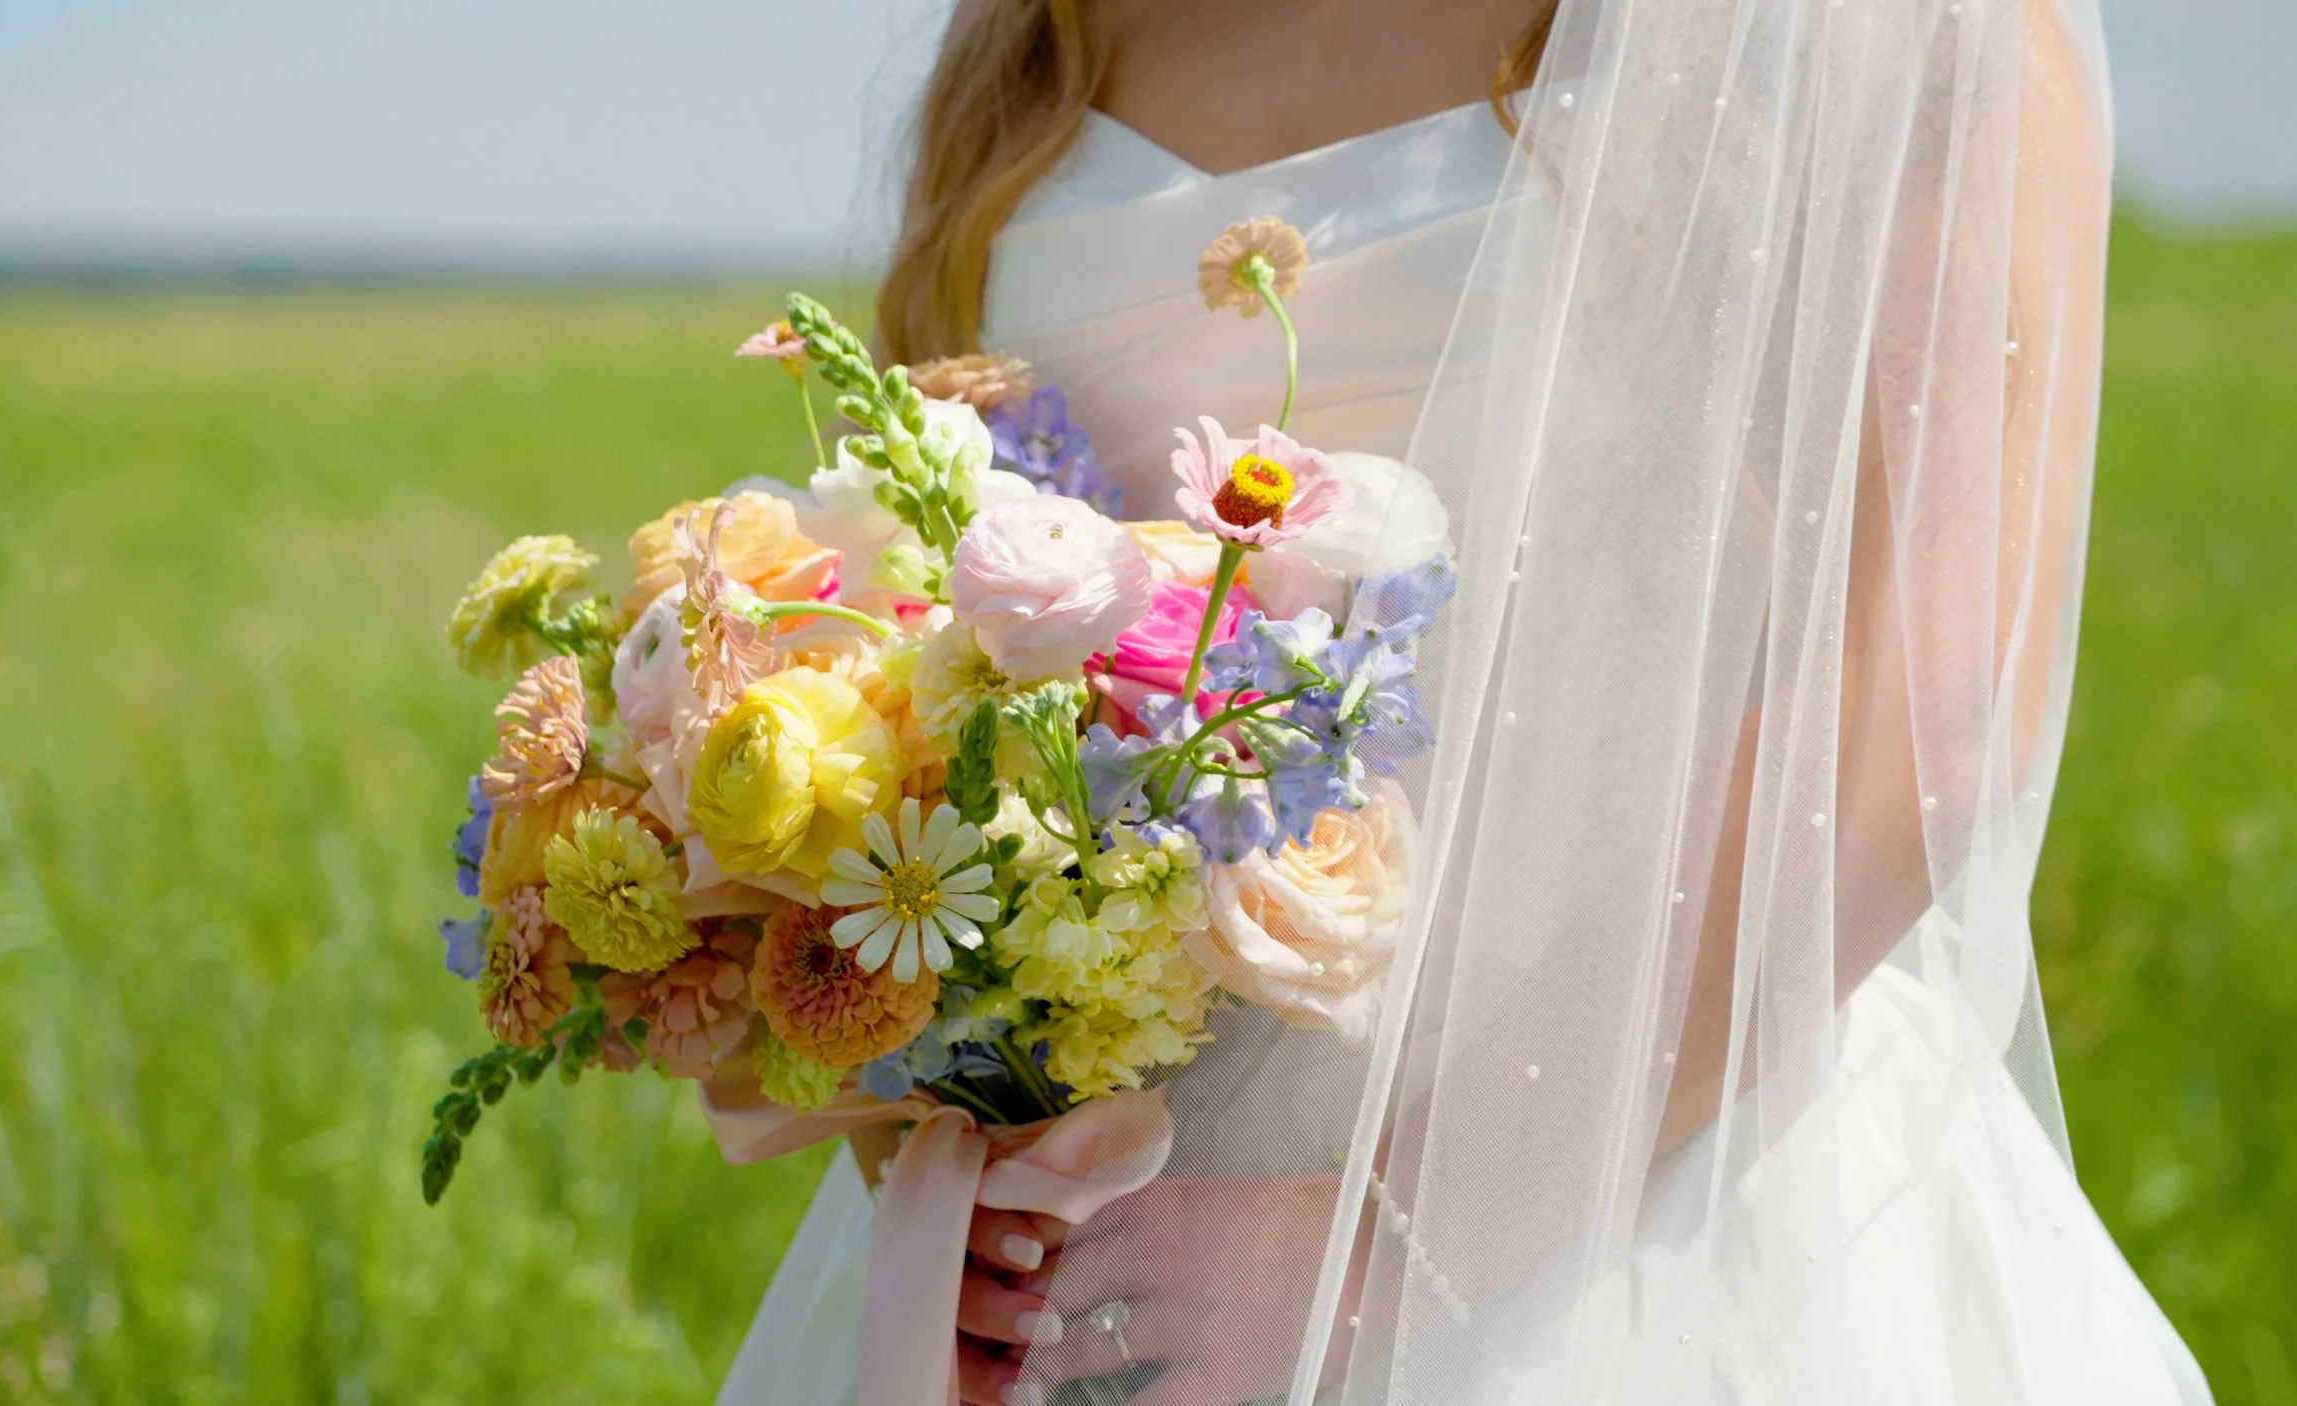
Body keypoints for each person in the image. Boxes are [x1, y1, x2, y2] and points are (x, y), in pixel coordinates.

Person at [719, 1, 2216, 1402]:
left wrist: (1384, 1241)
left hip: (1616, 1182)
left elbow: (1932, 705)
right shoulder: (1041, 37)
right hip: (1072, 1219)